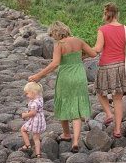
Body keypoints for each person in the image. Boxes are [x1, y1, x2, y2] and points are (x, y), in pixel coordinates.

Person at [29, 21, 96, 152]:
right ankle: (76, 141)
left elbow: (55, 64)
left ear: (56, 33)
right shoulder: (78, 40)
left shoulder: (59, 45)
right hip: (79, 76)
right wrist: (80, 57)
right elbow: (94, 54)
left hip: (65, 76)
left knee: (63, 103)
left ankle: (66, 134)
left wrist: (38, 76)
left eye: (52, 35)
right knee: (77, 108)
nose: (53, 37)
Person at [92, 2, 126, 139]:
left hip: (105, 66)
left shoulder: (102, 30)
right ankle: (117, 130)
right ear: (117, 14)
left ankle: (109, 114)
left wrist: (84, 52)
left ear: (106, 14)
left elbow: (97, 49)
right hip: (121, 66)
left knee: (100, 92)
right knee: (118, 99)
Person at [19, 81, 46, 158]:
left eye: (27, 93)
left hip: (35, 121)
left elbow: (33, 113)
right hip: (40, 120)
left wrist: (25, 115)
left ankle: (27, 145)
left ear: (33, 93)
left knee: (23, 129)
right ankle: (38, 154)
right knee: (36, 138)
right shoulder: (40, 98)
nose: (26, 95)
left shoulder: (34, 103)